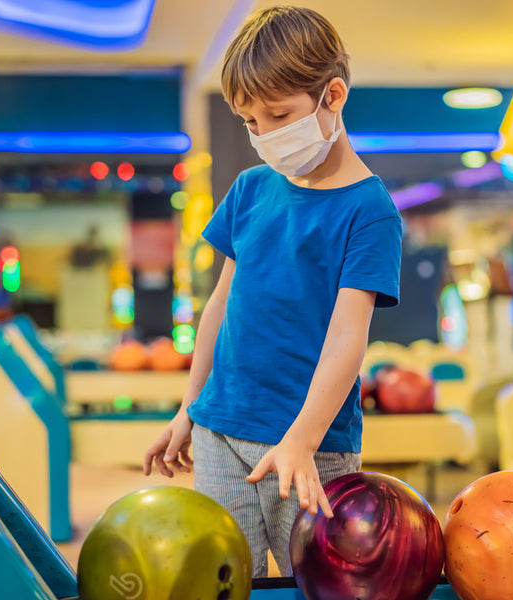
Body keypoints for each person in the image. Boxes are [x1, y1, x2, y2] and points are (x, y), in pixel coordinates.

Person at [143, 5, 402, 578]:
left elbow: (346, 339)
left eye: (278, 115)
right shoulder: (250, 188)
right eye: (249, 121)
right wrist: (191, 405)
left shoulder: (370, 211)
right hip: (220, 431)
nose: (263, 134)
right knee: (221, 580)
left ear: (332, 95)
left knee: (318, 583)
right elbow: (221, 306)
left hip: (312, 446)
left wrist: (302, 441)